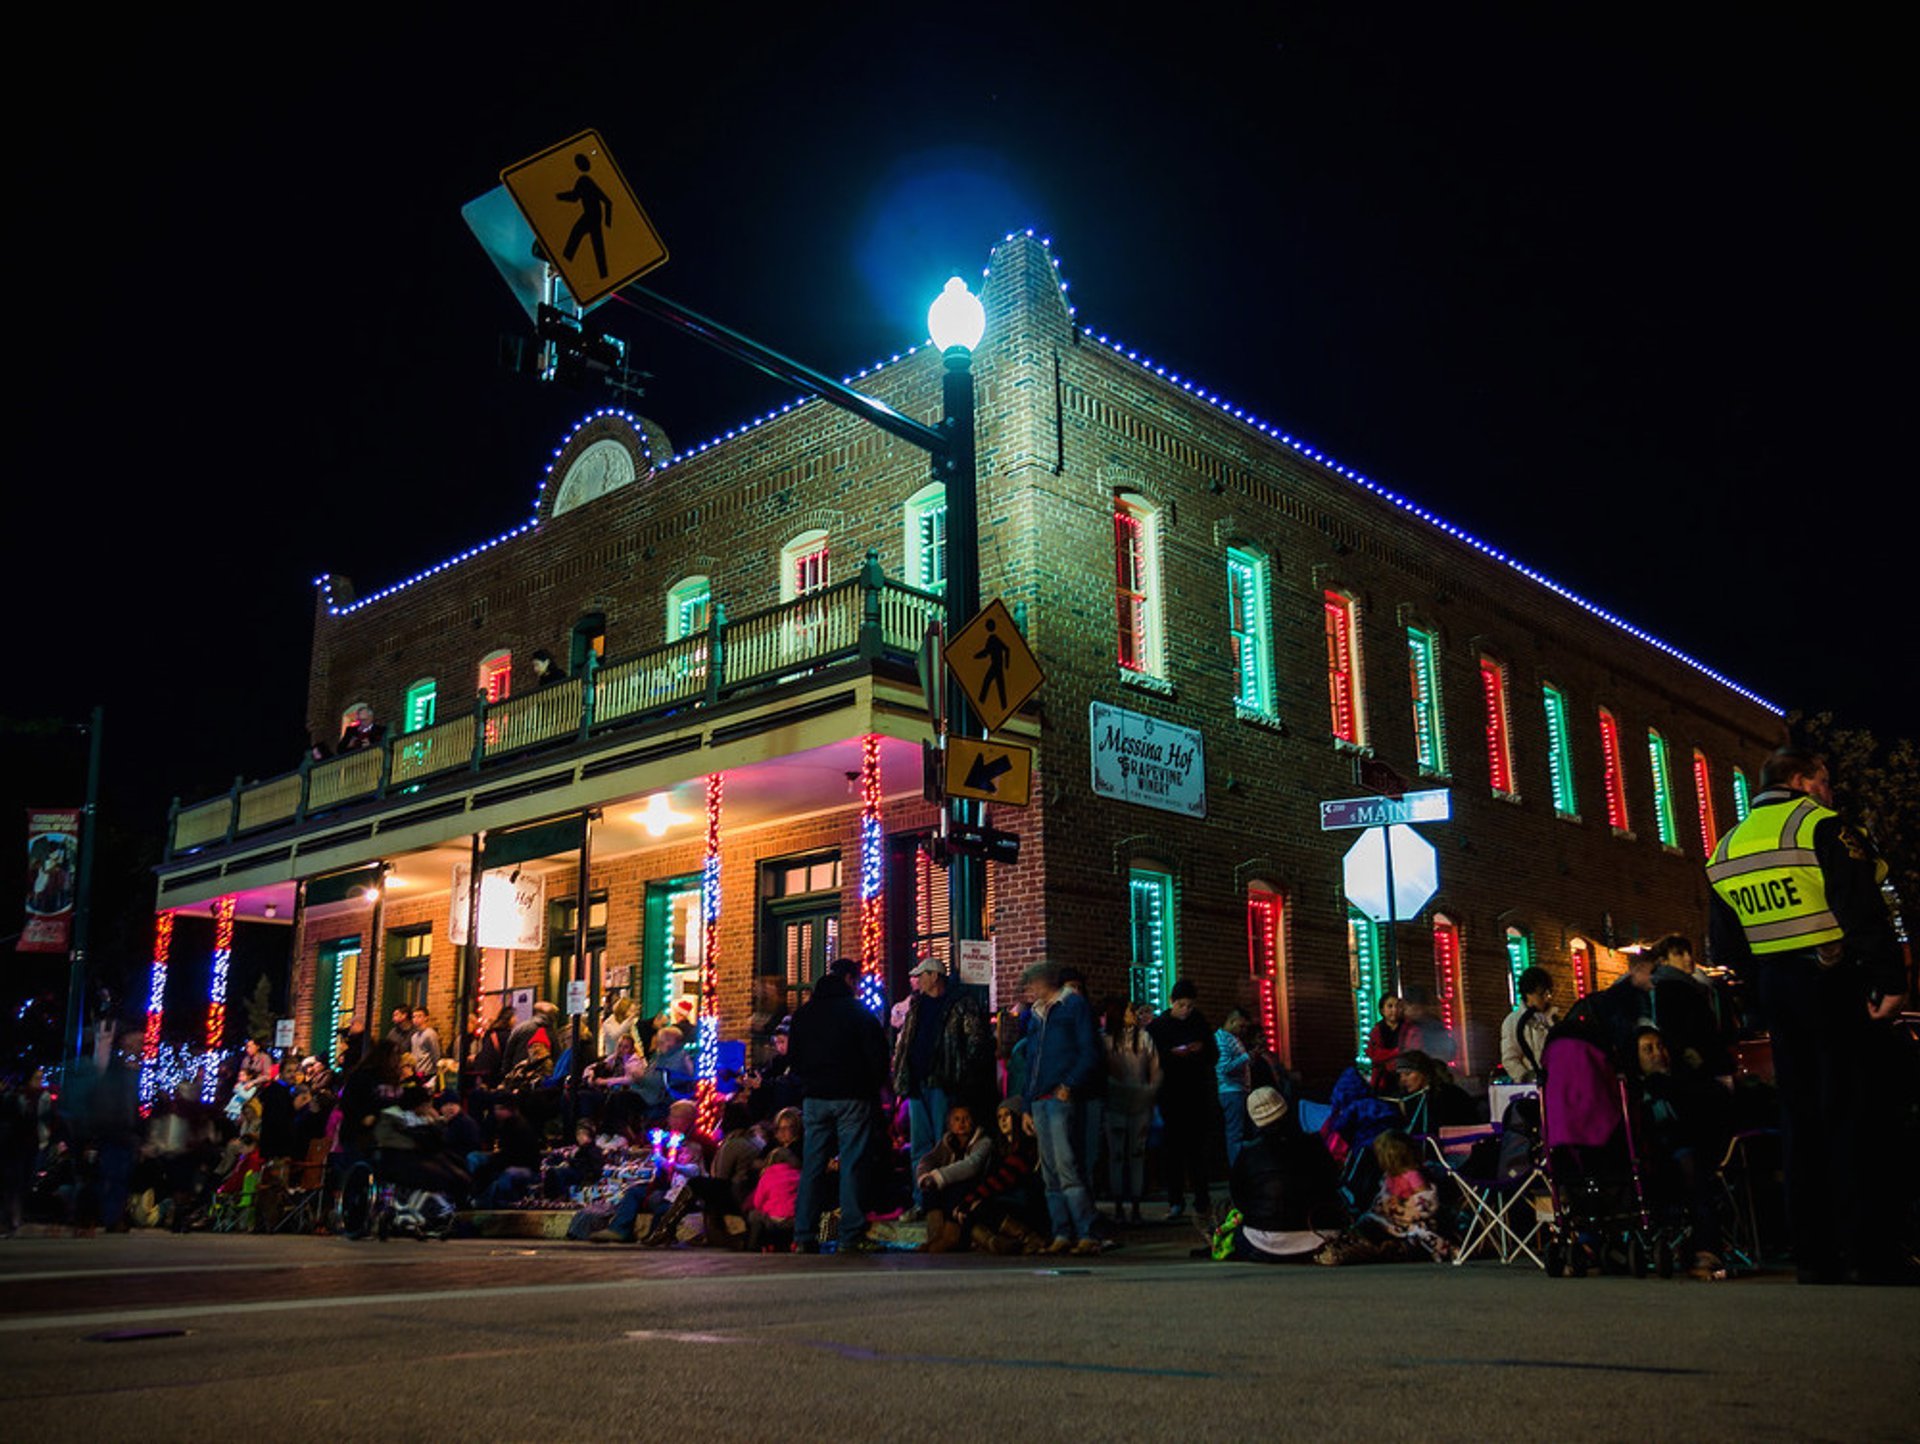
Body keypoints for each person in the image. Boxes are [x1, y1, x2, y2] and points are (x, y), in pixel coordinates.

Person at [1705, 746, 1909, 1285]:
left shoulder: (1727, 846)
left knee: (1799, 1119)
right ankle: (1872, 1252)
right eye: (1824, 780)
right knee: (1858, 1114)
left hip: (1779, 992)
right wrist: (1891, 980)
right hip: (1838, 984)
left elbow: (1726, 943)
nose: (1830, 790)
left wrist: (1765, 983)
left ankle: (1815, 1256)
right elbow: (1862, 907)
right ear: (1800, 780)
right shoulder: (1821, 827)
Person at [788, 961, 890, 1253]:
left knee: (813, 1166)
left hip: (815, 1097)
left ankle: (804, 1234)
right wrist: (872, 1086)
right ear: (849, 979)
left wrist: (809, 1079)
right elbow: (877, 1056)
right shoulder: (858, 1013)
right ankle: (850, 1234)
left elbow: (794, 1057)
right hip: (851, 1096)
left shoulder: (804, 1015)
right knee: (852, 1163)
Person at [890, 958, 995, 1215]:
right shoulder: (916, 1005)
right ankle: (922, 1201)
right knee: (919, 1147)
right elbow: (907, 1041)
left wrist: (962, 1075)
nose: (917, 981)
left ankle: (943, 1202)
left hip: (944, 1083)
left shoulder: (960, 1004)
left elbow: (976, 1042)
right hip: (917, 1083)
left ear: (935, 976)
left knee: (943, 1144)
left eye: (922, 976)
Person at [1020, 961, 1103, 1254]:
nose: (1029, 991)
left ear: (1044, 983)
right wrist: (1027, 1104)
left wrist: (1069, 1084)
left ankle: (1086, 1231)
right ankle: (1062, 1231)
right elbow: (1031, 1061)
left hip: (1059, 1097)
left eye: (1031, 985)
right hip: (1043, 1099)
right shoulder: (1037, 1015)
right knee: (1051, 1172)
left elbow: (1089, 1050)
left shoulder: (1072, 1006)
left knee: (1067, 1166)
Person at [1211, 1087, 1338, 1262]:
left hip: (1264, 1240)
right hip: (1321, 1234)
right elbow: (1333, 1184)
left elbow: (1239, 1199)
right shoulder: (1314, 1144)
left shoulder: (1247, 1152)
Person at [1147, 978, 1221, 1224]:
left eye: (1189, 1005)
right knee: (1173, 1151)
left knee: (1197, 1151)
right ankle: (1175, 1200)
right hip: (1171, 1095)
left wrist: (1200, 1050)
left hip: (1196, 1094)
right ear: (1171, 1002)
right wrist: (1171, 1054)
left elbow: (1214, 1054)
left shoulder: (1199, 1022)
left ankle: (1202, 1199)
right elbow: (1152, 1059)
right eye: (1182, 1005)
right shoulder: (1158, 1027)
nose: (1186, 1010)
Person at [1102, 996, 1160, 1225]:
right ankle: (1119, 1203)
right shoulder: (1107, 1041)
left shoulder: (1144, 1038)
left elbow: (1155, 1068)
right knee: (1118, 1154)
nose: (1133, 1015)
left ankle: (1134, 1203)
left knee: (1135, 1153)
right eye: (1129, 1011)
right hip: (1117, 1103)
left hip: (1136, 1102)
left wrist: (1151, 1090)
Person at [915, 1103, 994, 1251]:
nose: (962, 1123)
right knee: (931, 1192)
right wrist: (925, 1177)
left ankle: (950, 1238)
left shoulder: (984, 1142)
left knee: (957, 1190)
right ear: (950, 1124)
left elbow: (972, 1165)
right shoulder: (947, 1143)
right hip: (952, 1187)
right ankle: (935, 1236)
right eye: (957, 1119)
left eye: (966, 1118)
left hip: (976, 1188)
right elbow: (928, 1160)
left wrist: (939, 1176)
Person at [1498, 966, 1558, 1083]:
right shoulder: (1513, 1022)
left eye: (1549, 993)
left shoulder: (1554, 1019)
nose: (1547, 998)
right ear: (1528, 994)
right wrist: (1527, 1078)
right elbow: (1510, 1059)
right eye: (1541, 994)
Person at [1215, 1010, 1256, 1166]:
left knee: (1239, 1133)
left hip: (1239, 1090)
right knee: (1235, 1134)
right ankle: (1237, 1171)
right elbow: (1224, 1068)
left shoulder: (1233, 1039)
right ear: (1232, 1021)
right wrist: (1246, 1058)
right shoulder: (1221, 1040)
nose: (1243, 1030)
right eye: (1241, 1026)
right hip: (1231, 1091)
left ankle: (1241, 1169)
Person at [1398, 985, 1457, 1066]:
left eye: (1407, 1006)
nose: (1404, 1010)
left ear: (1419, 1007)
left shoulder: (1431, 1027)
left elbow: (1447, 1052)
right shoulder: (1408, 1026)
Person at [1364, 995, 1406, 1092]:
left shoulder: (1408, 1028)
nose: (1394, 1010)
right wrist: (1396, 1052)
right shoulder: (1377, 1030)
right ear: (1382, 1010)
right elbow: (1374, 1054)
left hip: (1402, 1076)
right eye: (1390, 1006)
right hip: (1381, 1078)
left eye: (1397, 1006)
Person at [408, 1008, 442, 1080]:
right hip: (417, 1072)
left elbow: (436, 1053)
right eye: (414, 1017)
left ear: (426, 1018)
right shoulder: (414, 1036)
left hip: (428, 1073)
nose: (416, 1019)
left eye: (419, 1016)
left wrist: (437, 1071)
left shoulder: (430, 1034)